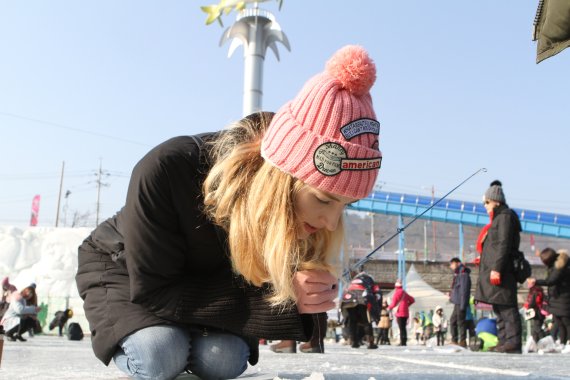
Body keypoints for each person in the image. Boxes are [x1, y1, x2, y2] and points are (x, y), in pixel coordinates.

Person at [75, 45, 383, 380]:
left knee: (223, 360)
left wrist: (304, 294)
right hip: (127, 271)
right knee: (160, 353)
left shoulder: (304, 215)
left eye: (345, 204)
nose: (330, 222)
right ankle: (166, 336)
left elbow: (276, 290)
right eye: (324, 200)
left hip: (211, 287)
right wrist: (278, 300)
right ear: (281, 180)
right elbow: (155, 289)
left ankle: (186, 334)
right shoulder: (166, 168)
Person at [474, 180, 523, 354]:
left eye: (487, 202)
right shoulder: (498, 218)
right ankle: (504, 340)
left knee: (507, 307)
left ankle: (513, 341)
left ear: (496, 200)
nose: (485, 206)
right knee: (498, 306)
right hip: (496, 269)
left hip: (503, 271)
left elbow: (503, 244)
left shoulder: (505, 217)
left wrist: (496, 268)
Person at [529, 248, 570, 353]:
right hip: (557, 299)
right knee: (559, 322)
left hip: (563, 299)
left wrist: (536, 281)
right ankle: (562, 342)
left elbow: (551, 280)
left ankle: (568, 342)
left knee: (566, 322)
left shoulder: (560, 267)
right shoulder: (556, 265)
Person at [341, 270, 381, 349]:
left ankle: (354, 342)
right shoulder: (369, 280)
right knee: (366, 321)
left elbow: (344, 291)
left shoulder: (352, 281)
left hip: (349, 301)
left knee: (352, 321)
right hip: (363, 300)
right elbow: (377, 292)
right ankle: (370, 342)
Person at [448, 257, 471, 347]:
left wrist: (463, 304)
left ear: (457, 263)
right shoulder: (458, 274)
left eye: (452, 264)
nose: (451, 266)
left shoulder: (463, 274)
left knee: (460, 322)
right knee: (453, 320)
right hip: (457, 301)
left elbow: (464, 290)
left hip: (460, 302)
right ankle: (454, 339)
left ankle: (462, 341)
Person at [388, 279, 415, 346]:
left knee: (401, 328)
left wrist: (389, 308)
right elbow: (412, 300)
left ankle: (402, 342)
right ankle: (404, 341)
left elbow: (393, 303)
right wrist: (407, 305)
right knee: (404, 328)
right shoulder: (404, 293)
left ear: (396, 287)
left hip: (399, 312)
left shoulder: (396, 293)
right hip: (405, 313)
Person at [523, 277, 546, 347]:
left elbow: (533, 302)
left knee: (537, 328)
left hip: (536, 312)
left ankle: (544, 341)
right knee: (535, 329)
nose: (527, 284)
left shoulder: (534, 291)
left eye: (529, 282)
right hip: (539, 312)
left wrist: (528, 307)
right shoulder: (539, 290)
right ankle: (535, 343)